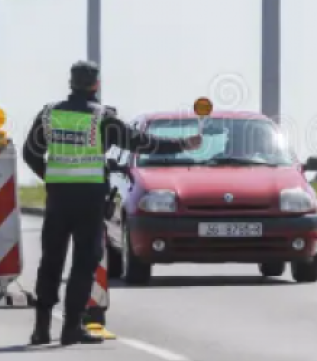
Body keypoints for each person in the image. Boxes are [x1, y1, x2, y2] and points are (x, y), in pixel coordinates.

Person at [22, 60, 202, 345]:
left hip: (58, 198)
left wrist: (51, 177)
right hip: (90, 199)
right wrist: (181, 144)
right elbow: (140, 142)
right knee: (85, 261)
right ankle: (70, 328)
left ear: (70, 83)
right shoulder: (101, 119)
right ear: (96, 84)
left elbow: (30, 153)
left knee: (51, 260)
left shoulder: (48, 116)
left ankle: (41, 328)